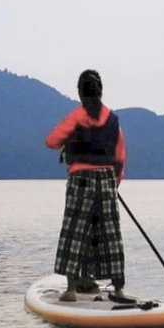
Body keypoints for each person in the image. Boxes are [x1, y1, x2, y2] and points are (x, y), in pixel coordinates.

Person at [46, 70, 127, 302]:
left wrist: (70, 138)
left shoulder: (76, 116)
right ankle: (118, 289)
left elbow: (51, 141)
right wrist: (115, 183)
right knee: (110, 234)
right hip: (107, 178)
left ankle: (71, 290)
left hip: (80, 178)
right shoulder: (112, 120)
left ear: (81, 93)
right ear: (100, 92)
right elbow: (120, 156)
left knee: (75, 232)